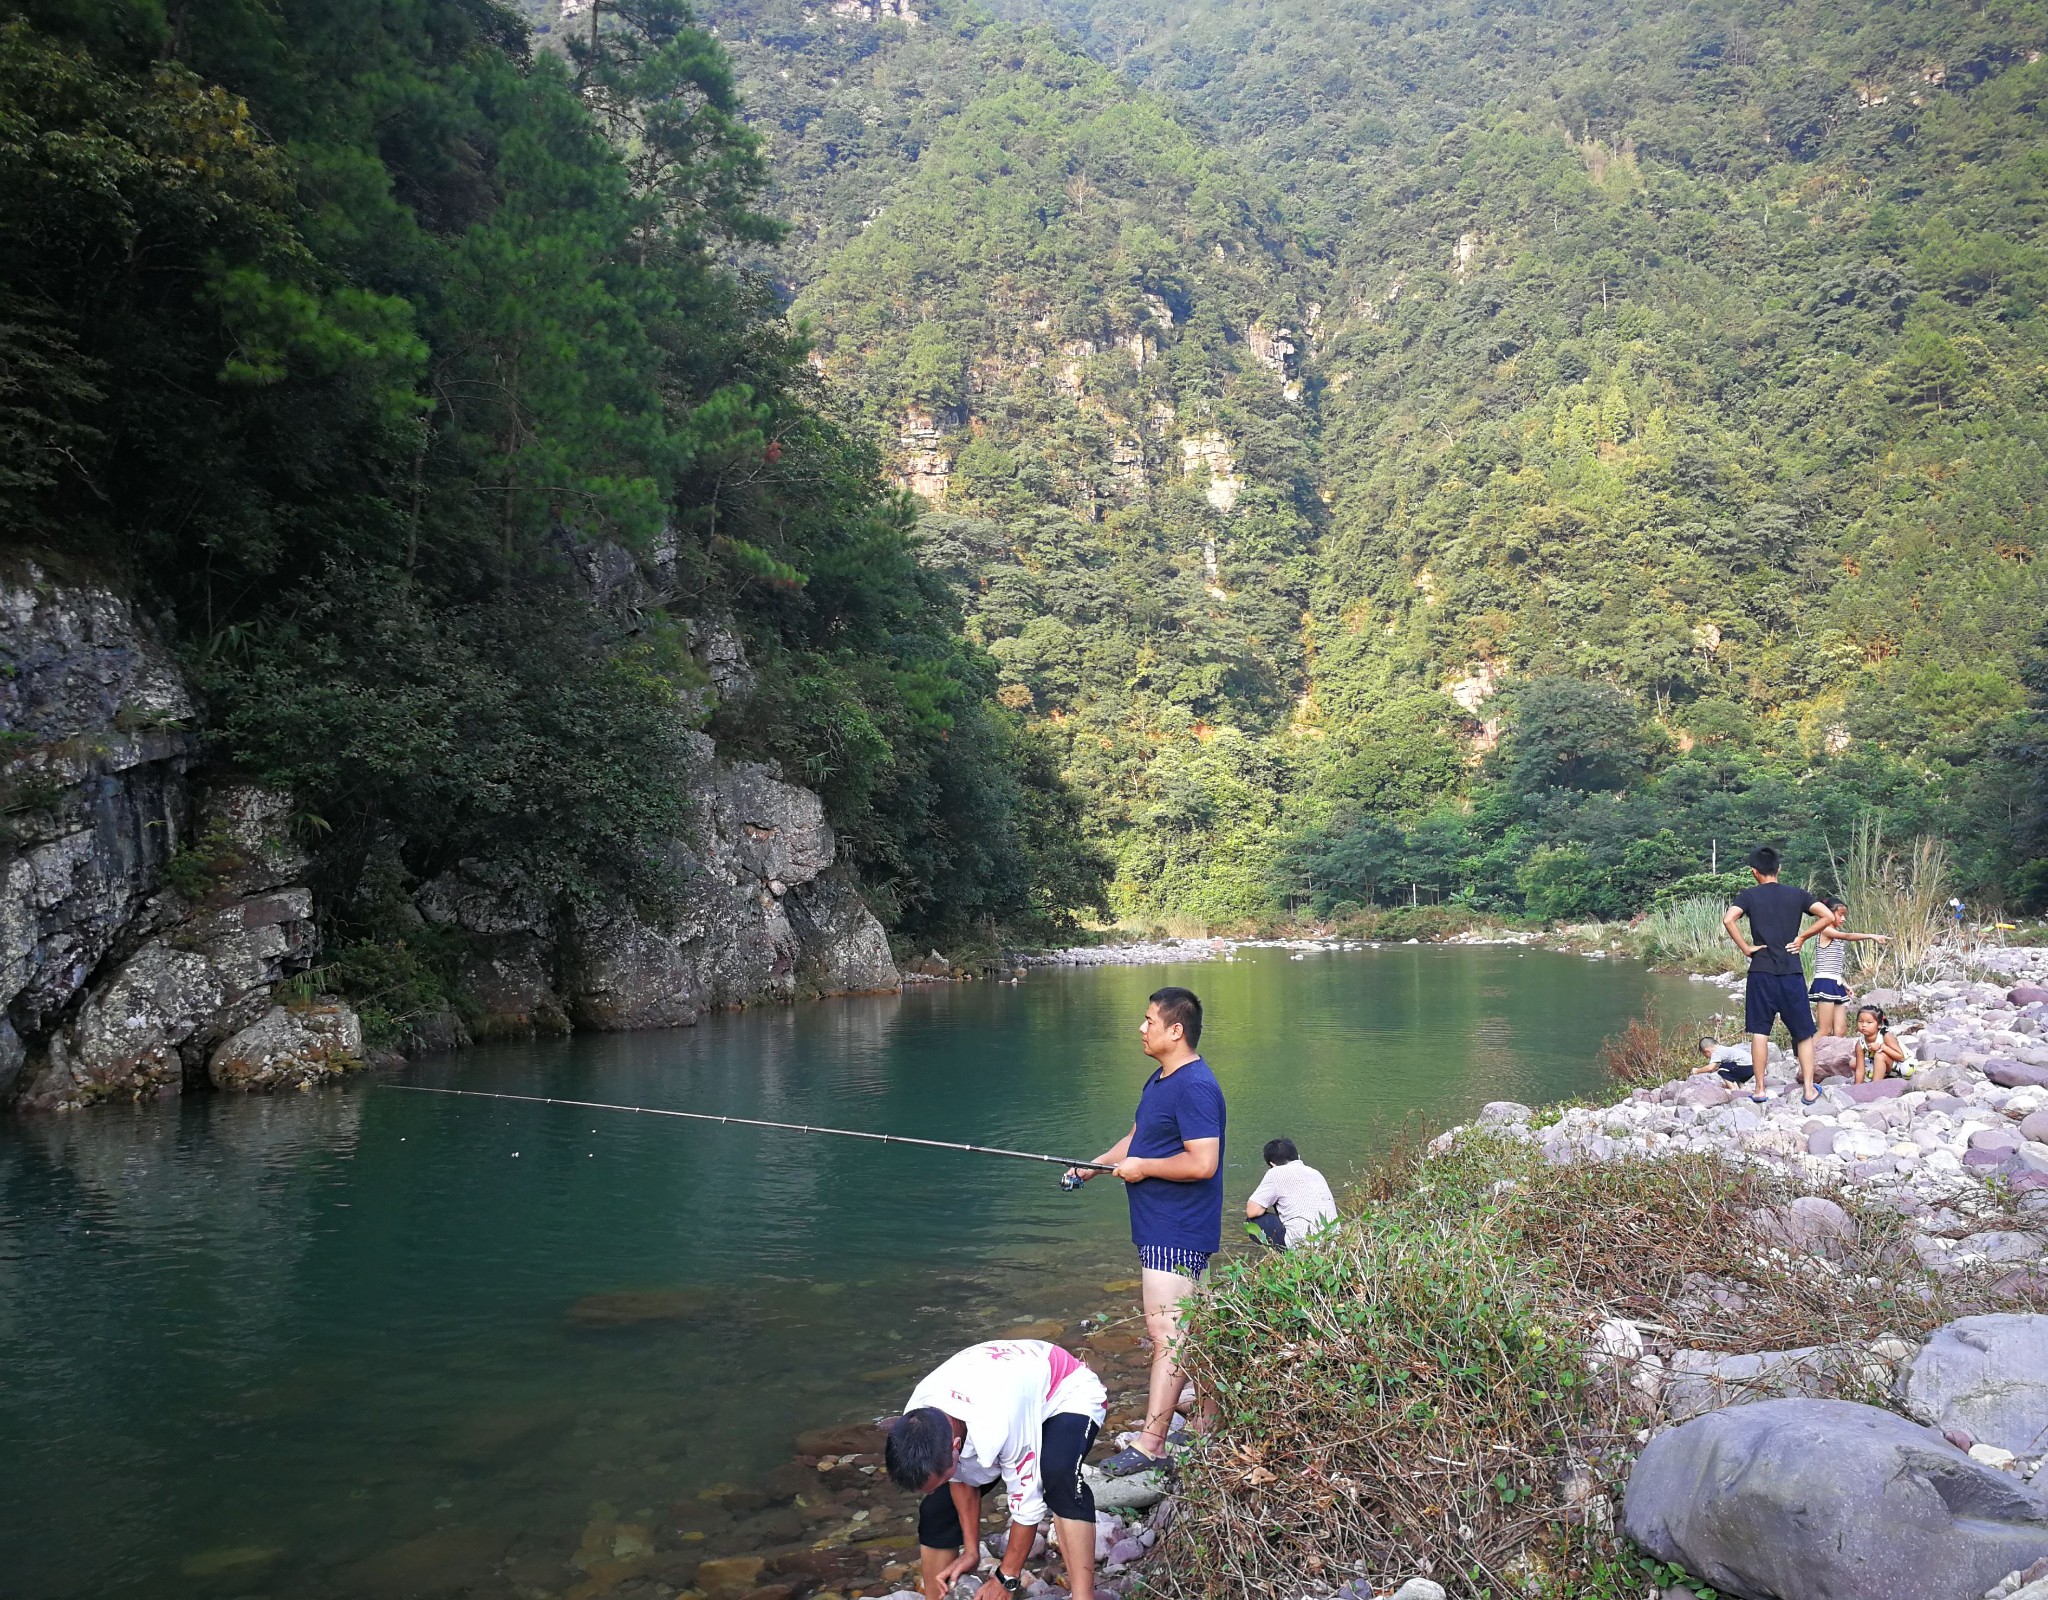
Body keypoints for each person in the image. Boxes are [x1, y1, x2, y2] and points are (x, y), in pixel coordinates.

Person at [1064, 986, 1224, 1478]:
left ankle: (1151, 1444)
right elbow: (1139, 1137)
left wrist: (1144, 1169)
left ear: (1176, 1031)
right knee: (1189, 1327)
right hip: (1160, 1224)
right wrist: (1092, 1167)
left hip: (1177, 1227)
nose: (1142, 1026)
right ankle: (1209, 1419)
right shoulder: (1161, 1080)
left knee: (1166, 1333)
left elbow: (1203, 1162)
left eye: (1150, 1020)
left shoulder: (1195, 1086)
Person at [885, 1339, 1107, 1600]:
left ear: (955, 1446)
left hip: (1064, 1391)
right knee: (936, 1509)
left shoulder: (998, 1423)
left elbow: (1027, 1505)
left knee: (1058, 1475)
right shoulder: (917, 1418)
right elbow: (961, 1479)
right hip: (1006, 1385)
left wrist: (1006, 1577)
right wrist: (971, 1550)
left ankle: (1083, 1597)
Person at [1722, 847, 1836, 1107]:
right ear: (1779, 869)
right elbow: (1828, 916)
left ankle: (1760, 1089)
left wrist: (1746, 948)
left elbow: (1729, 919)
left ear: (1754, 872)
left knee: (1760, 1032)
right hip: (1791, 971)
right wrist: (1802, 937)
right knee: (1804, 1033)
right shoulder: (1797, 894)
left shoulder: (1748, 896)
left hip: (1761, 970)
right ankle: (1808, 1089)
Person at [1808, 897, 1890, 1038]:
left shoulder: (1834, 934)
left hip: (1835, 982)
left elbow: (1833, 965)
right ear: (1827, 914)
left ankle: (1832, 1058)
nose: (1843, 919)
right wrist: (1871, 936)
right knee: (1824, 1030)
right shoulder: (1825, 930)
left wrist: (1844, 983)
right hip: (1825, 982)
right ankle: (1806, 1057)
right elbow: (1848, 936)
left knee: (1840, 1030)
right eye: (1840, 915)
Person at [1244, 1137, 1337, 1251]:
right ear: (1297, 1156)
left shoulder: (1276, 1173)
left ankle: (1287, 1255)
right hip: (1332, 1242)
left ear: (1272, 1164)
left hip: (1302, 1246)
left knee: (1253, 1222)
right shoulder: (1315, 1172)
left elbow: (1252, 1211)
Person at [1851, 1003, 1906, 1084]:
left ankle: (1875, 1085)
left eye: (1869, 1022)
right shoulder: (1860, 1044)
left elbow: (1901, 1057)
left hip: (1902, 1067)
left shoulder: (1885, 1035)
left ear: (1879, 1025)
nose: (1864, 1025)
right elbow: (1860, 1069)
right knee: (1853, 1063)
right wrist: (1856, 1088)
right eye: (1860, 1021)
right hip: (1887, 1068)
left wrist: (1881, 1047)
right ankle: (1881, 1076)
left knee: (1879, 1055)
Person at [1691, 1036, 1758, 1088]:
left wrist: (1697, 1071)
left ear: (1707, 1051)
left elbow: (1710, 1068)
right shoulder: (1722, 1049)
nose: (1706, 1057)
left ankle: (1732, 1089)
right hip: (1752, 1066)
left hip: (1746, 1067)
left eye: (1705, 1055)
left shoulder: (1716, 1053)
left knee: (1722, 1070)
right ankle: (1742, 1088)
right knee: (1729, 1068)